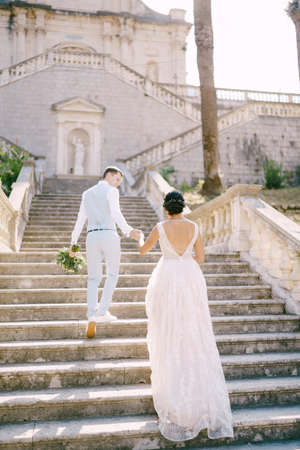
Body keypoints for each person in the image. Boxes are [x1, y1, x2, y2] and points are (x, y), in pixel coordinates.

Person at [138, 190, 234, 442]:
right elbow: (200, 258)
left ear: (166, 209)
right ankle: (198, 397)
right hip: (190, 277)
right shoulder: (194, 226)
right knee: (193, 332)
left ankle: (173, 393)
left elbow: (143, 251)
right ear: (183, 207)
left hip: (167, 277)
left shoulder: (160, 226)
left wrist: (139, 237)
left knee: (168, 332)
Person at [69, 166, 141, 339]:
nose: (117, 185)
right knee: (112, 273)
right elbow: (116, 213)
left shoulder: (86, 194)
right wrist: (129, 230)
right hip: (109, 234)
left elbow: (80, 219)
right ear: (109, 176)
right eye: (117, 180)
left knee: (93, 278)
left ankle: (92, 314)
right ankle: (102, 311)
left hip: (91, 237)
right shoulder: (111, 191)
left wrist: (73, 243)